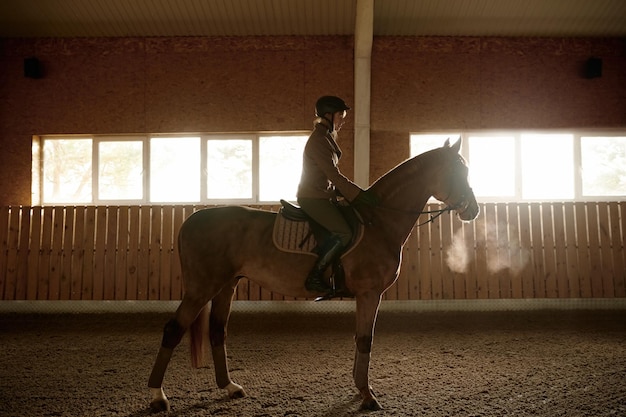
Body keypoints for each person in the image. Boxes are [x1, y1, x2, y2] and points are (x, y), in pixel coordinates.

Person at [297, 95, 379, 293]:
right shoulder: (319, 140)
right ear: (328, 115)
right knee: (344, 232)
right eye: (340, 115)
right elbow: (333, 175)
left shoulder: (325, 138)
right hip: (313, 198)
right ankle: (315, 276)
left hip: (323, 195)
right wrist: (358, 195)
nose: (343, 119)